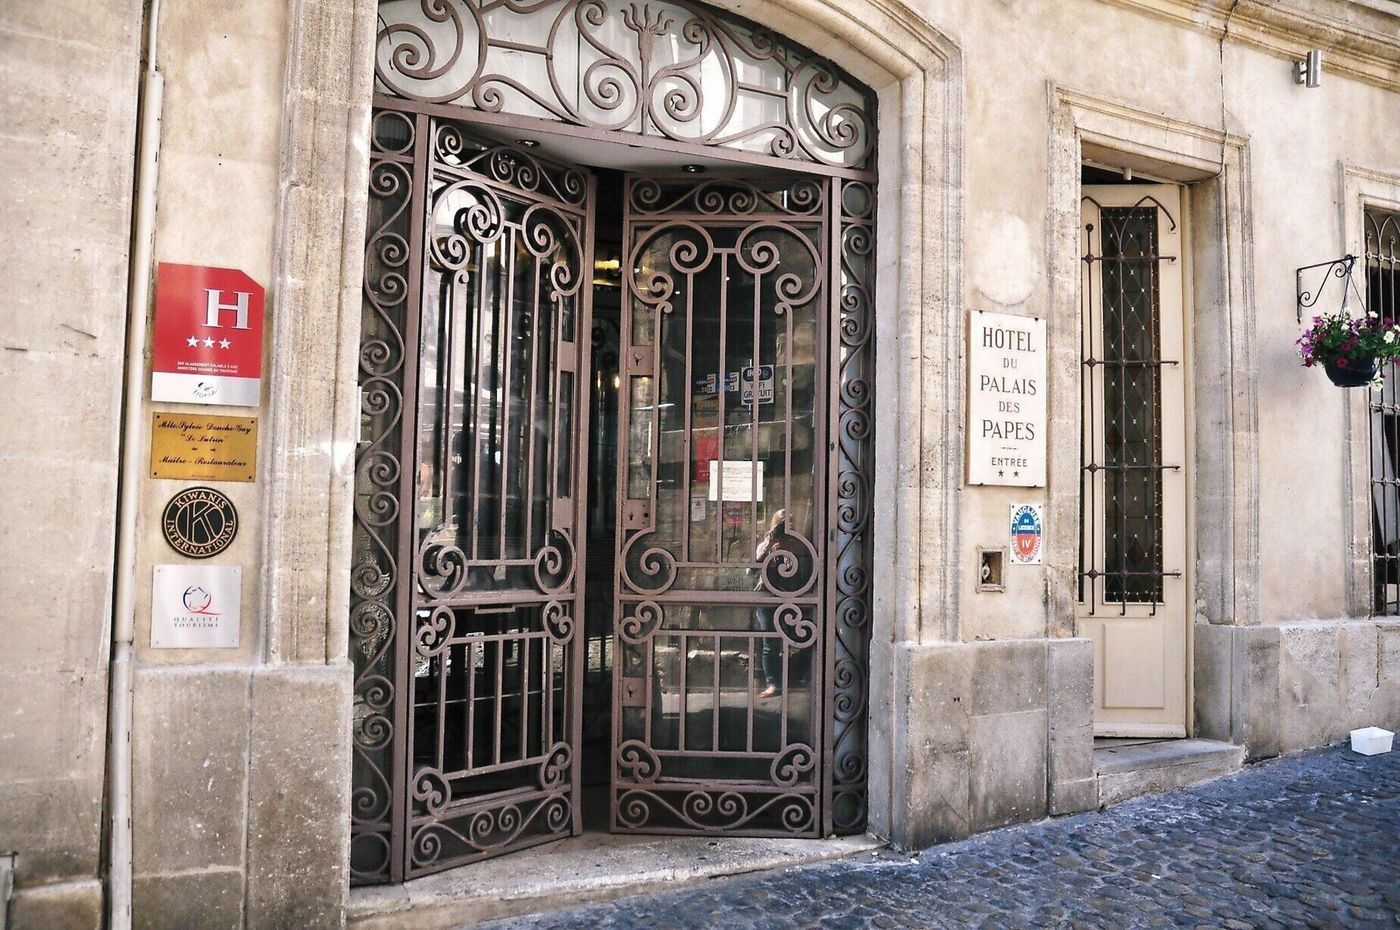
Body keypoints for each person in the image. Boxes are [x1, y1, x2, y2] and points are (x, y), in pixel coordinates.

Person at [752, 509, 790, 699]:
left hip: (790, 596)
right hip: (766, 595)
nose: (785, 528)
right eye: (782, 525)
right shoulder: (767, 543)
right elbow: (754, 566)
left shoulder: (796, 544)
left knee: (792, 639)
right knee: (770, 642)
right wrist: (770, 546)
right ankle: (772, 683)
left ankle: (796, 679)